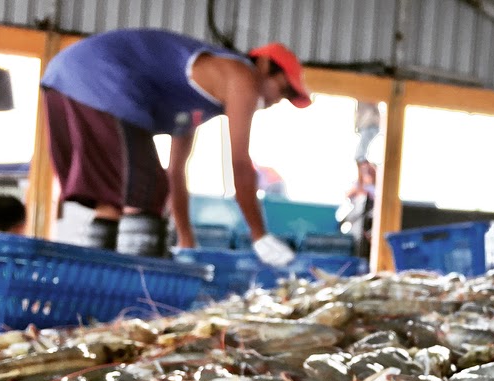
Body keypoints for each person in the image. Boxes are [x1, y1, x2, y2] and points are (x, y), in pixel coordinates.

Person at [40, 28, 310, 265]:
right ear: (263, 65)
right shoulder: (243, 77)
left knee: (113, 197)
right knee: (144, 192)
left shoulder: (197, 101)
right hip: (98, 75)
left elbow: (176, 173)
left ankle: (95, 285)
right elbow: (240, 163)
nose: (279, 100)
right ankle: (137, 290)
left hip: (66, 78)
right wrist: (259, 236)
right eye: (284, 89)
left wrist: (186, 239)